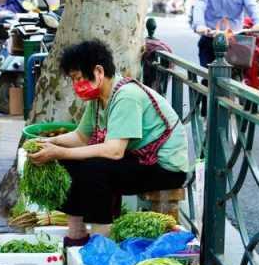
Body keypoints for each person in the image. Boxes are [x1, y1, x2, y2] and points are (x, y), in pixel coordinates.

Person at [29, 39, 189, 247]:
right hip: (139, 160)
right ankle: (76, 235)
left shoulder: (126, 96)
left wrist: (58, 152)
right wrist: (48, 143)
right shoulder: (99, 98)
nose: (76, 86)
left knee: (95, 170)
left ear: (98, 72)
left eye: (78, 78)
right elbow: (80, 138)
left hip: (166, 168)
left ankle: (100, 242)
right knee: (70, 163)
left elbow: (114, 151)